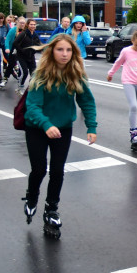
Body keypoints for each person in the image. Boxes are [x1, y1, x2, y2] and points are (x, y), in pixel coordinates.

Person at [20, 34, 97, 235]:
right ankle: (32, 195)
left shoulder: (76, 74)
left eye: (69, 50)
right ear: (51, 51)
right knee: (38, 170)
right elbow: (32, 107)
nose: (64, 54)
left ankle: (51, 209)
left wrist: (91, 127)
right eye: (60, 50)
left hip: (62, 128)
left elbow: (87, 101)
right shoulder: (41, 75)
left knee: (57, 170)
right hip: (37, 127)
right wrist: (46, 125)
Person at [107, 28, 137, 150]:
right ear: (132, 41)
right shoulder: (126, 51)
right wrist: (111, 73)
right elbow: (118, 62)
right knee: (133, 106)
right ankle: (134, 132)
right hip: (128, 81)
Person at [12, 19, 39, 91]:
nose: (33, 26)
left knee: (34, 73)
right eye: (31, 24)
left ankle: (31, 87)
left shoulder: (35, 35)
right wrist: (22, 50)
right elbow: (15, 43)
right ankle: (20, 86)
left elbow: (39, 45)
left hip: (31, 57)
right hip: (21, 57)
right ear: (27, 25)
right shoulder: (24, 34)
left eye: (34, 24)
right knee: (25, 73)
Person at [4, 17, 26, 82]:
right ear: (17, 22)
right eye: (21, 23)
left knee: (22, 65)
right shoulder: (13, 30)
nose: (22, 24)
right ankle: (5, 77)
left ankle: (19, 77)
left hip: (21, 50)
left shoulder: (25, 31)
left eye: (23, 23)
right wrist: (7, 48)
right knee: (11, 64)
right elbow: (7, 39)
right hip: (13, 49)